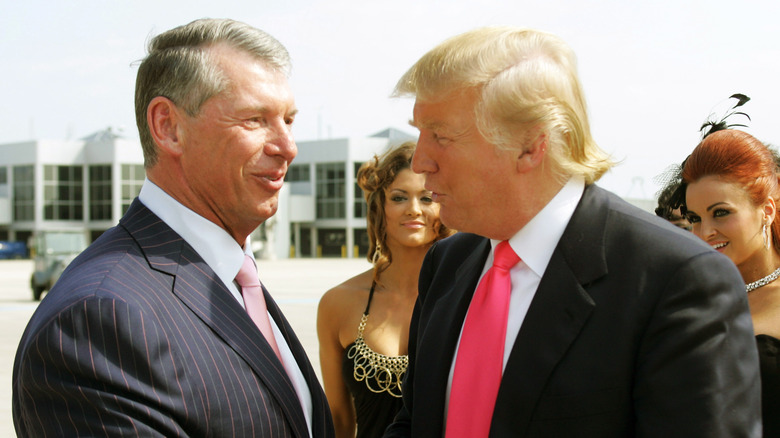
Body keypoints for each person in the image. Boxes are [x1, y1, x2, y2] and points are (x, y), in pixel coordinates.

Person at [383, 26, 761, 437]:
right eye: (419, 134)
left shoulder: (677, 281)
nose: (420, 161)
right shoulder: (447, 262)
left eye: (440, 136)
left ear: (531, 144)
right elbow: (413, 423)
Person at [13, 18, 334, 437]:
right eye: (255, 120)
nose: (287, 147)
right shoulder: (98, 320)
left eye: (288, 120)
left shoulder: (234, 278)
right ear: (168, 127)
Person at [317, 141, 453, 438]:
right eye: (400, 197)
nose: (414, 209)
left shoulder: (464, 297)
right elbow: (339, 420)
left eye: (428, 198)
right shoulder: (337, 303)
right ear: (380, 206)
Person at [681, 128, 780, 437]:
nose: (705, 232)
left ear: (766, 211)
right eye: (695, 218)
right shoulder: (686, 298)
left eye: (720, 213)